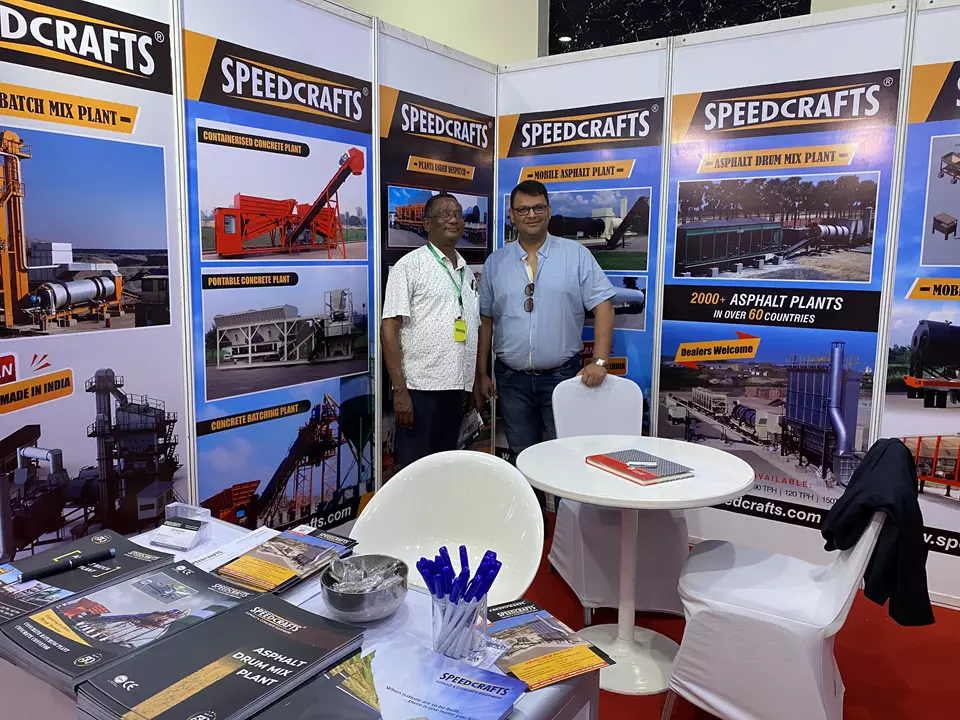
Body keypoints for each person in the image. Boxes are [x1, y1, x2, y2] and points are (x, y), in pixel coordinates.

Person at [476, 180, 615, 510]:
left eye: (538, 207)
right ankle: (535, 529)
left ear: (549, 211)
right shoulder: (496, 263)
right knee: (523, 462)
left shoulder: (576, 256)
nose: (531, 215)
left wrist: (599, 361)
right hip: (511, 381)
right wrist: (481, 374)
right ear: (512, 215)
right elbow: (486, 321)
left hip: (563, 378)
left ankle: (568, 533)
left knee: (567, 460)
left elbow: (604, 306)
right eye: (523, 209)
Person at [381, 192, 479, 469]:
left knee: (446, 467)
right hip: (420, 391)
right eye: (445, 215)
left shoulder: (465, 271)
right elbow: (389, 327)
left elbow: (472, 327)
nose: (454, 220)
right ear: (426, 224)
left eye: (458, 214)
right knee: (417, 470)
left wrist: (471, 383)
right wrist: (400, 390)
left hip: (456, 389)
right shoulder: (409, 267)